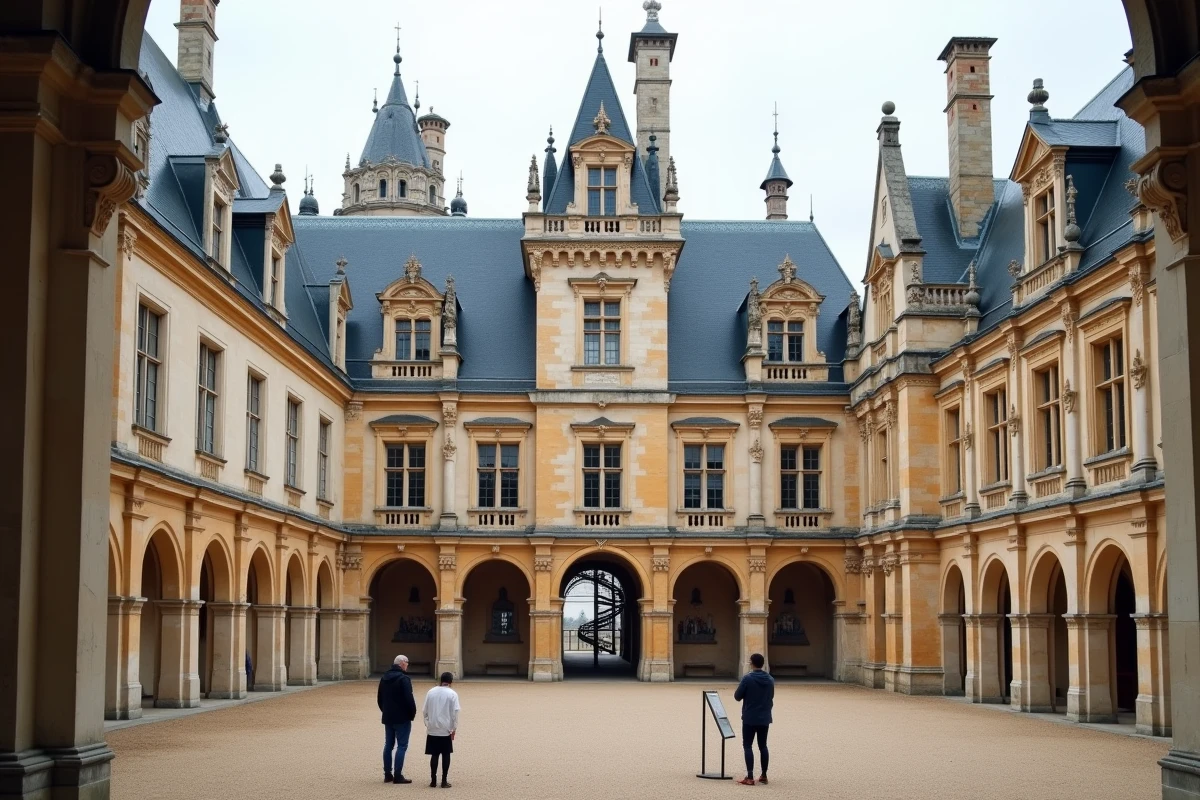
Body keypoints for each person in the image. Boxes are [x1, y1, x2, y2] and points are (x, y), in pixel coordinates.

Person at [733, 652, 774, 786]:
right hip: (764, 717)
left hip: (750, 717)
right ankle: (764, 775)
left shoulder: (747, 678)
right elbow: (771, 697)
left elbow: (737, 696)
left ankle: (750, 776)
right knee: (763, 746)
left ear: (751, 663)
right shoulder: (770, 679)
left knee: (747, 745)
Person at [378, 655, 417, 784]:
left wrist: (385, 711)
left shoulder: (384, 677)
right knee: (402, 746)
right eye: (407, 663)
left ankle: (387, 774)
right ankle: (398, 775)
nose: (408, 665)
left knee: (388, 745)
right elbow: (409, 698)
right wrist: (412, 713)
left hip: (388, 716)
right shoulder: (404, 679)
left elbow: (380, 698)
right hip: (402, 717)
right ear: (402, 663)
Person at [422, 672, 461, 788]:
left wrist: (428, 723)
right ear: (451, 682)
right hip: (445, 729)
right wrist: (454, 728)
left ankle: (433, 780)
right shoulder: (452, 694)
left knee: (434, 755)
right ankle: (444, 780)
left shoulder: (431, 692)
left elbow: (425, 711)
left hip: (433, 727)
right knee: (446, 755)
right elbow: (455, 714)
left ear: (440, 680)